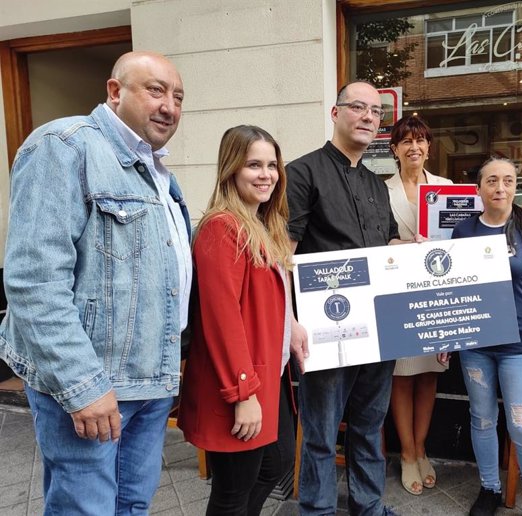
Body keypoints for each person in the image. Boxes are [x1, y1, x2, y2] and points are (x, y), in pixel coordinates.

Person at [0, 51, 191, 514]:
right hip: (95, 385)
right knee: (85, 509)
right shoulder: (64, 146)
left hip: (148, 381)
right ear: (114, 91)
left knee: (132, 506)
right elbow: (34, 282)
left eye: (178, 96)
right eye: (156, 90)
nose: (170, 105)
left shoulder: (155, 170)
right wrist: (83, 385)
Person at [287, 81, 405, 516]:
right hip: (326, 325)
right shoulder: (301, 173)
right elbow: (284, 254)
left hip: (380, 323)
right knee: (319, 428)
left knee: (370, 423)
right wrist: (289, 319)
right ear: (335, 114)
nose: (368, 117)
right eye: (358, 107)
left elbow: (389, 243)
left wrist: (424, 257)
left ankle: (367, 504)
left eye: (375, 112)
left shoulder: (378, 185)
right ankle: (316, 510)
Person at [177, 125, 295, 515]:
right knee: (233, 491)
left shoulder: (263, 223)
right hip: (240, 383)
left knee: (274, 467)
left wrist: (292, 327)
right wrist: (242, 394)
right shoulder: (221, 228)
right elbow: (221, 316)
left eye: (272, 165)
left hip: (268, 375)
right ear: (231, 169)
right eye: (254, 165)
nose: (266, 174)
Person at [447, 157, 522, 516]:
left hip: (521, 344)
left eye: (509, 180)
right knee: (481, 418)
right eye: (492, 181)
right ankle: (489, 489)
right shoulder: (464, 232)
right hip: (476, 346)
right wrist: (449, 336)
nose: (501, 188)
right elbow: (454, 289)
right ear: (478, 188)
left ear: (515, 185)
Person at [385, 115, 451, 495]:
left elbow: (461, 238)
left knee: (429, 375)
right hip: (400, 292)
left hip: (439, 294)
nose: (415, 147)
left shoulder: (446, 189)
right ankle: (407, 453)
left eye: (421, 140)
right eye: (406, 141)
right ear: (394, 149)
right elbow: (378, 238)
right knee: (401, 376)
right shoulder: (382, 191)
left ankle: (421, 446)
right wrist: (402, 247)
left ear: (429, 147)